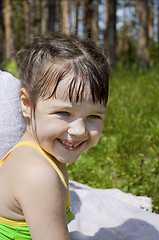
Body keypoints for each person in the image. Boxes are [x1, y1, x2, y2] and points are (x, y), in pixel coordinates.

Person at [0, 33, 109, 240]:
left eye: (93, 116)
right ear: (26, 103)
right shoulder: (37, 174)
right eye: (64, 113)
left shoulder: (41, 155)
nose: (79, 130)